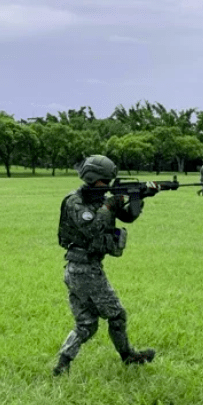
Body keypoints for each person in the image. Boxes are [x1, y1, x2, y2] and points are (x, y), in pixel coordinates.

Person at [53, 155, 155, 376]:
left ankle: (62, 365)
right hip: (83, 269)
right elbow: (91, 228)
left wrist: (139, 197)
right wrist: (111, 203)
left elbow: (128, 217)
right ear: (92, 177)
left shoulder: (99, 199)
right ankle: (128, 356)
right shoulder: (75, 201)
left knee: (87, 324)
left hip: (82, 269)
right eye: (105, 181)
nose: (108, 185)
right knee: (116, 315)